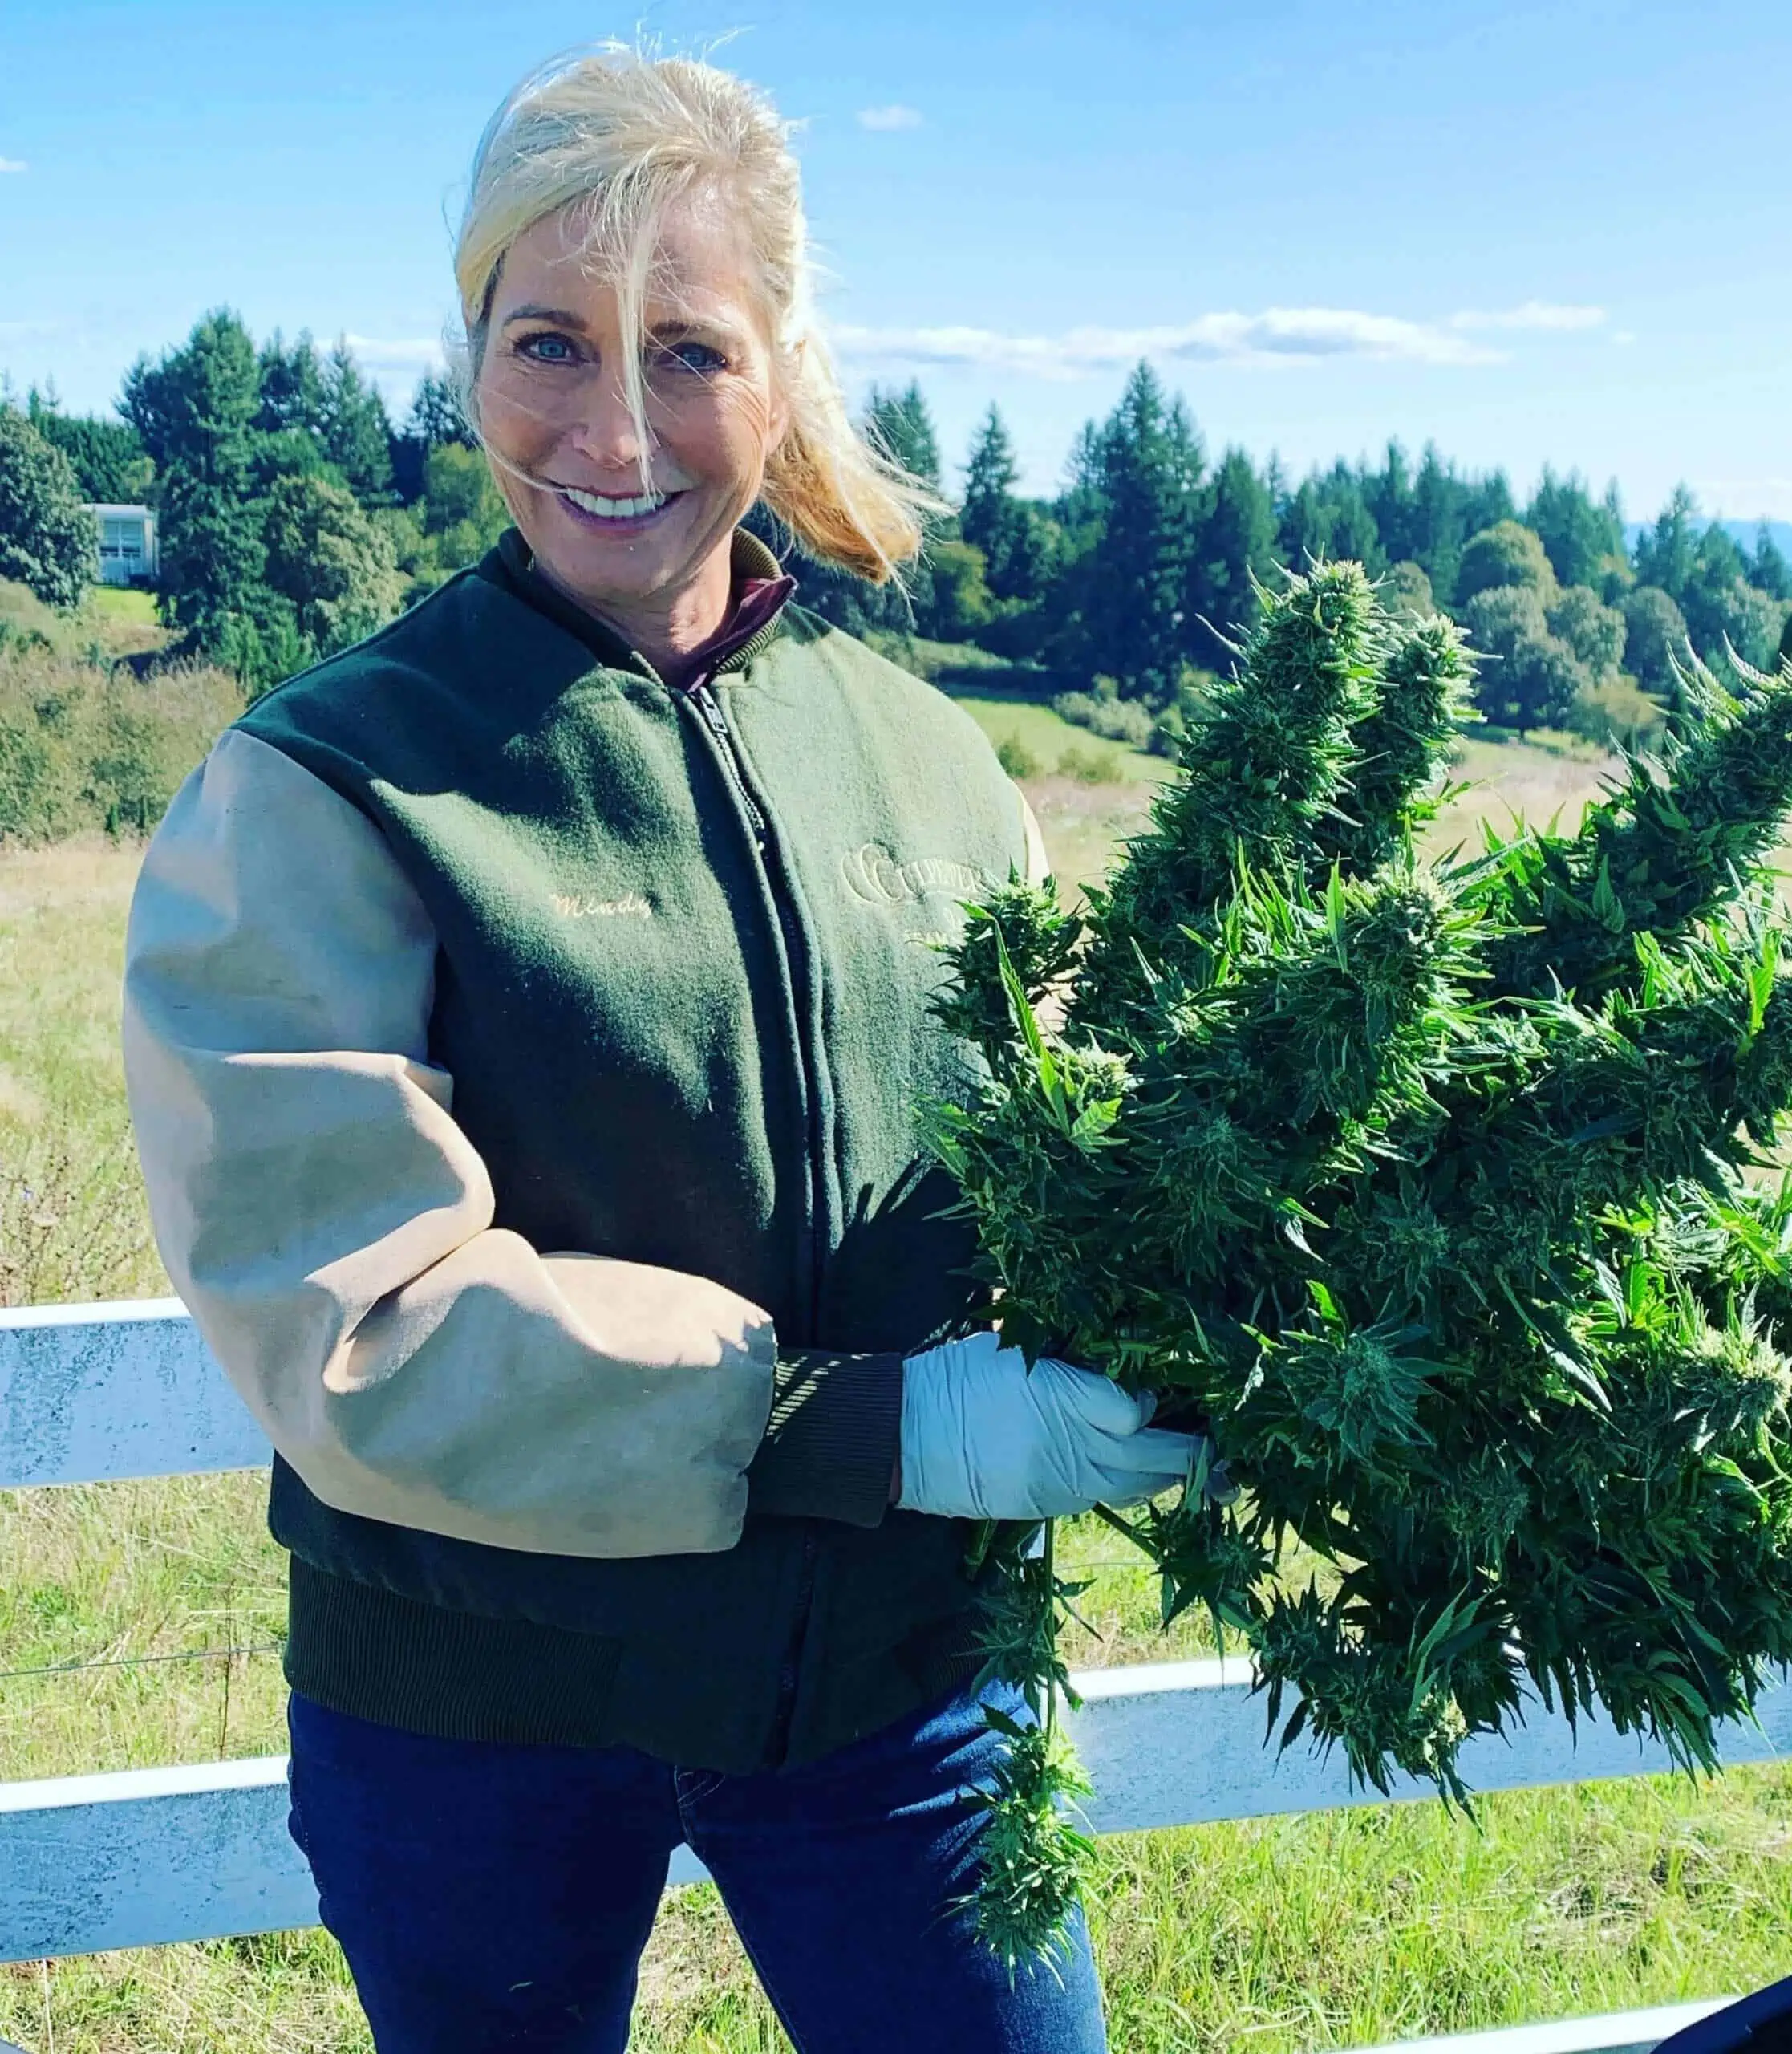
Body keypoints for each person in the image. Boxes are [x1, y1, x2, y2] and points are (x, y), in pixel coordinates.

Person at [121, 46, 1204, 2054]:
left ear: (781, 376)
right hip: (478, 1714)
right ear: (470, 362)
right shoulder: (326, 782)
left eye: (688, 352)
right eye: (549, 340)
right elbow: (348, 1319)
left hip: (899, 1686)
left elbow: (1058, 1167)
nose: (613, 429)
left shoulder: (933, 767)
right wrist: (870, 1432)